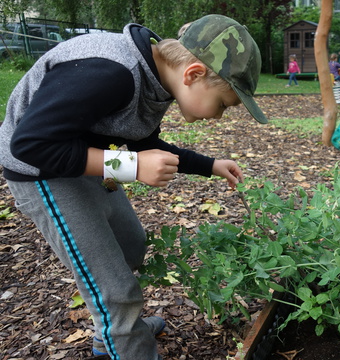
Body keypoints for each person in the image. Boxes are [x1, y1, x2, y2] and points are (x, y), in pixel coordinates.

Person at [0, 14, 267, 360]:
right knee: (116, 293)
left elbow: (141, 141)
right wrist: (132, 167)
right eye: (223, 105)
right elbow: (30, 145)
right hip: (42, 172)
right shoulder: (112, 73)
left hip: (84, 157)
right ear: (194, 74)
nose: (218, 116)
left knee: (131, 245)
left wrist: (211, 166)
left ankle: (113, 330)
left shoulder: (154, 77)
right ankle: (121, 334)